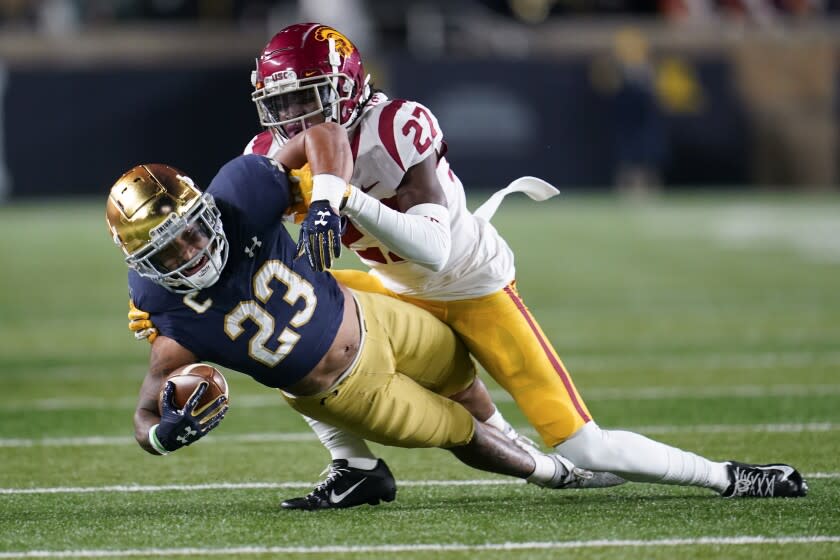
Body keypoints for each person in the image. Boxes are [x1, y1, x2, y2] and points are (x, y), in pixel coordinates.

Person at [130, 23, 808, 504]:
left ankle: (726, 475)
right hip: (393, 284)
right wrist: (164, 290)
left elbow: (433, 248)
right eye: (281, 103)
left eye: (306, 99)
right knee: (278, 332)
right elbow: (234, 218)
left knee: (583, 447)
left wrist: (340, 202)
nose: (293, 117)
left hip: (467, 283)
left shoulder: (396, 124)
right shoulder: (277, 146)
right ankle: (354, 467)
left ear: (347, 85)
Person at [107, 145, 603, 509]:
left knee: (461, 378)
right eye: (167, 251)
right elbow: (145, 414)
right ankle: (557, 474)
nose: (189, 253)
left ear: (203, 211)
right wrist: (163, 437)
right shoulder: (168, 313)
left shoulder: (241, 194)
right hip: (350, 392)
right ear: (144, 263)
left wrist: (324, 197)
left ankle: (519, 445)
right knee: (462, 434)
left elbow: (323, 134)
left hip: (376, 315)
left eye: (190, 232)